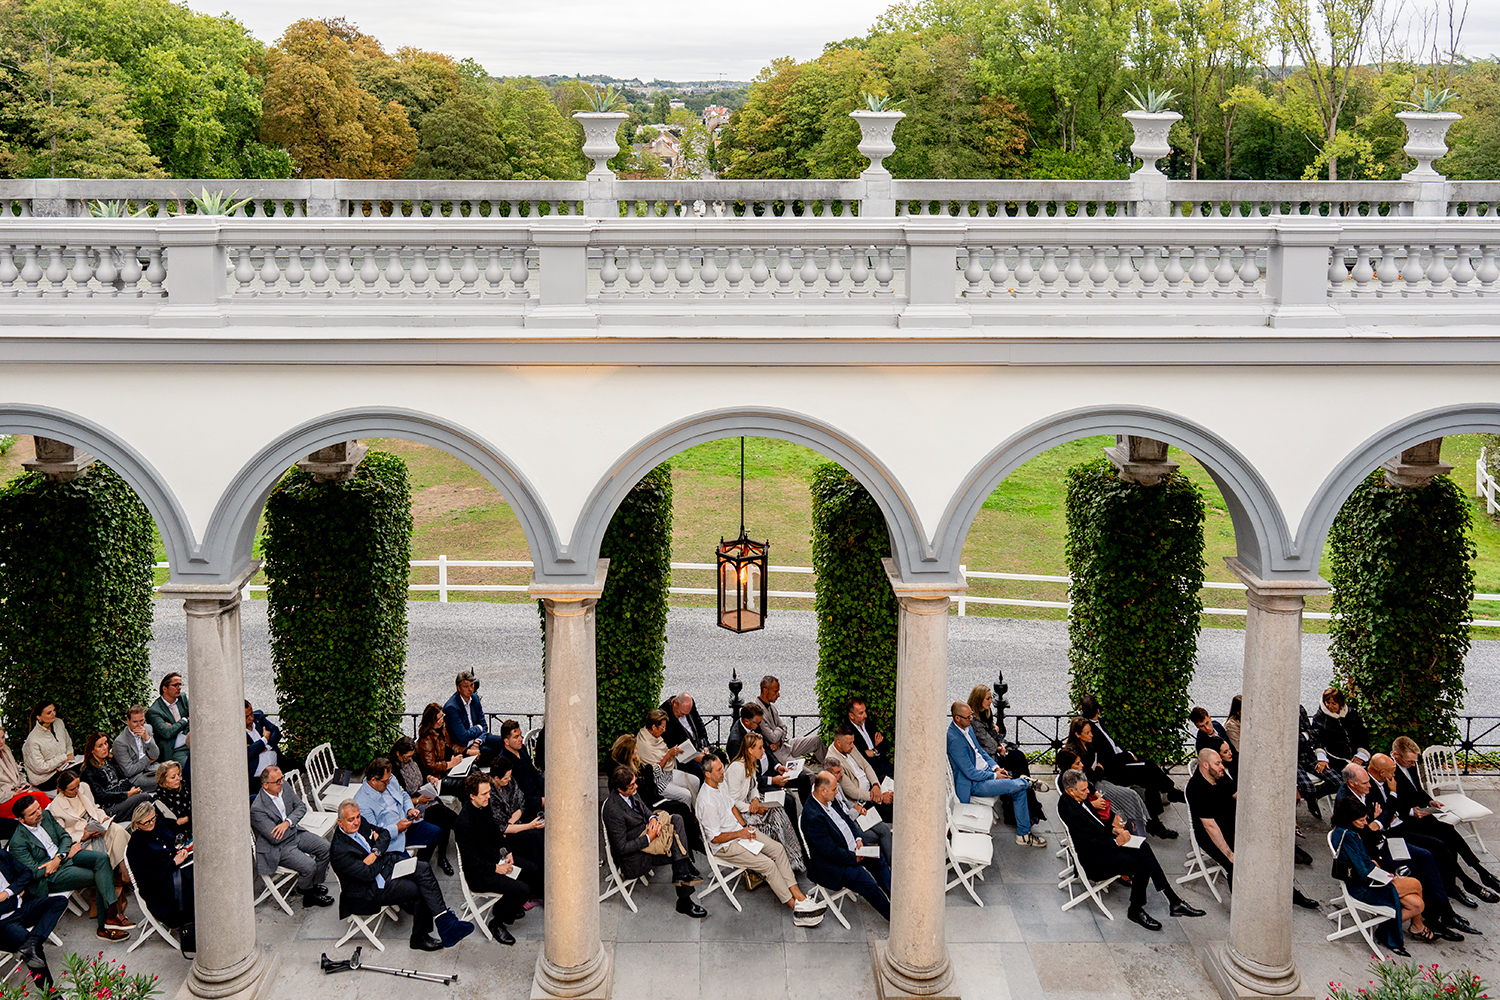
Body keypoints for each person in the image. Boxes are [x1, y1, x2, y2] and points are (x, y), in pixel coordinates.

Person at [1057, 769, 1204, 930]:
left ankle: (1174, 900)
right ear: (1071, 791)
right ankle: (1135, 909)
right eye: (1084, 790)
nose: (1088, 792)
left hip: (1105, 842)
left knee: (1143, 846)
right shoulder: (1071, 811)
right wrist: (1117, 842)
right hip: (1094, 860)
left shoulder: (1078, 798)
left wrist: (1114, 830)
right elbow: (1089, 846)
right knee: (1140, 866)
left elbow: (1096, 821)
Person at [1337, 763, 1464, 941]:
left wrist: (1378, 820)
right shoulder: (1345, 801)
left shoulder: (1365, 791)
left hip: (1384, 842)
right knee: (1416, 872)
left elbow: (1388, 810)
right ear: (1352, 784)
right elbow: (1358, 834)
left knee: (1427, 855)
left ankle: (1446, 911)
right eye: (1365, 783)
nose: (1370, 785)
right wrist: (1375, 822)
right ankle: (1432, 919)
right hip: (1375, 853)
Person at [693, 756, 826, 925]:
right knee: (768, 865)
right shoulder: (707, 802)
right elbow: (715, 838)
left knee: (777, 849)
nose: (723, 772)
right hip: (725, 845)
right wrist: (740, 834)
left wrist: (744, 826)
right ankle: (797, 909)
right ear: (707, 774)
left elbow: (731, 806)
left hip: (739, 831)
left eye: (722, 767)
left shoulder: (720, 784)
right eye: (719, 770)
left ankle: (799, 895)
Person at [330, 800, 473, 952]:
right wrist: (380, 854)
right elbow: (367, 874)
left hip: (385, 865)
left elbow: (384, 834)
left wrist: (376, 853)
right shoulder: (340, 851)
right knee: (419, 889)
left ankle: (445, 922)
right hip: (369, 888)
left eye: (357, 817)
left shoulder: (360, 822)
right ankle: (419, 937)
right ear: (340, 822)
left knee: (423, 868)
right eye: (351, 820)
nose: (356, 822)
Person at [1367, 753, 1487, 926]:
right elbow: (1384, 815)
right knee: (1431, 852)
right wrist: (1389, 808)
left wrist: (1396, 809)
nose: (1394, 775)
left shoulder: (1387, 780)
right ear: (1381, 772)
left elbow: (1397, 806)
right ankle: (1443, 910)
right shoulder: (1372, 786)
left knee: (1445, 834)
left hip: (1403, 821)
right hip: (1393, 833)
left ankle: (1469, 879)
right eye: (1391, 771)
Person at [1388, 737, 1500, 902]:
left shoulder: (1410, 767)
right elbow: (1390, 803)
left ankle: (1480, 872)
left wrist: (1429, 802)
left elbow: (1417, 790)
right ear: (1395, 755)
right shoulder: (1388, 770)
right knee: (1441, 843)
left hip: (1421, 814)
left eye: (1414, 761)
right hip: (1406, 821)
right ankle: (1462, 884)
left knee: (1449, 832)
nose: (1412, 765)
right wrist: (1412, 812)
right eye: (1409, 761)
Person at [9, 794, 132, 941]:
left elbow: (65, 837)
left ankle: (111, 916)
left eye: (38, 809)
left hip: (65, 857)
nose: (38, 813)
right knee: (99, 876)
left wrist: (59, 857)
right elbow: (33, 872)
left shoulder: (46, 815)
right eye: (32, 813)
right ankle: (105, 926)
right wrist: (57, 861)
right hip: (50, 876)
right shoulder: (18, 842)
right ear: (21, 820)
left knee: (102, 859)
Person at [602, 767, 707, 918]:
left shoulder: (631, 792)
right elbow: (622, 848)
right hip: (635, 857)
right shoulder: (613, 811)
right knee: (677, 849)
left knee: (677, 818)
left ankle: (681, 874)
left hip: (647, 834)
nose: (636, 786)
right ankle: (684, 897)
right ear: (620, 789)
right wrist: (648, 838)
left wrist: (652, 819)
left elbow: (645, 809)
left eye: (634, 782)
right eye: (632, 785)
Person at [947, 702, 1046, 848]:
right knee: (1019, 786)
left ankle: (1023, 834)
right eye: (968, 717)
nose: (972, 720)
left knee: (1018, 790)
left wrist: (995, 768)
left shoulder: (967, 727)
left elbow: (980, 751)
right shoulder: (954, 739)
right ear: (957, 718)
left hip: (986, 772)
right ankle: (1025, 782)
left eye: (971, 716)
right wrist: (994, 777)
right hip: (974, 783)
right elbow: (969, 772)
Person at [1331, 796, 1419, 956]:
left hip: (1366, 880)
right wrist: (1381, 875)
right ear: (1350, 819)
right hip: (1364, 887)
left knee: (1418, 904)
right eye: (1361, 820)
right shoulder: (1349, 837)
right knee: (1416, 885)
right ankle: (1413, 928)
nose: (1365, 823)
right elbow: (1363, 871)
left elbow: (1362, 862)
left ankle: (1391, 931)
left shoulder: (1344, 830)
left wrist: (1373, 864)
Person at [1078, 695, 1183, 828]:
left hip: (1118, 762)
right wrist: (1128, 755)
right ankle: (1169, 795)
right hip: (1115, 771)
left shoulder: (1091, 725)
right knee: (1150, 769)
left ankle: (1156, 818)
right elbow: (1108, 761)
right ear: (1098, 710)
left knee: (1151, 777)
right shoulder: (1091, 733)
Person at [452, 772, 534, 944]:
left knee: (532, 870)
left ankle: (508, 906)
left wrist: (508, 850)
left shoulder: (484, 806)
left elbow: (495, 832)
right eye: (484, 794)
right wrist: (497, 868)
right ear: (472, 795)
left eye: (489, 792)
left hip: (494, 860)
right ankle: (497, 922)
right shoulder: (463, 823)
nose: (489, 796)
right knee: (523, 890)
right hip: (480, 874)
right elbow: (471, 862)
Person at [800, 770, 891, 920]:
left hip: (853, 847)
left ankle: (895, 898)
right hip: (834, 864)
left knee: (879, 859)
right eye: (835, 789)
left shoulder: (830, 799)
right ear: (823, 791)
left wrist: (857, 839)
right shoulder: (812, 818)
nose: (837, 792)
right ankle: (893, 916)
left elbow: (847, 819)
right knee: (868, 884)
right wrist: (853, 858)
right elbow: (830, 851)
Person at [251, 766, 334, 909]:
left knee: (326, 848)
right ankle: (308, 895)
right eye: (277, 781)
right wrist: (291, 823)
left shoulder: (285, 787)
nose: (281, 783)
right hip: (277, 847)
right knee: (309, 865)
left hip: (293, 833)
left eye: (281, 778)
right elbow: (274, 838)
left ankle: (312, 885)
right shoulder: (258, 809)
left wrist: (287, 823)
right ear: (265, 785)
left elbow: (301, 807)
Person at [608, 734, 703, 856]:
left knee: (682, 809)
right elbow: (642, 794)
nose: (637, 751)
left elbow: (649, 783)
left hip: (651, 799)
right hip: (648, 806)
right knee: (681, 809)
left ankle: (691, 842)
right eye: (635, 749)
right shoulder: (623, 776)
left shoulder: (636, 764)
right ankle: (692, 844)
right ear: (629, 753)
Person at [724, 733, 804, 872]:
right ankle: (780, 858)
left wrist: (755, 799)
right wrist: (751, 807)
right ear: (750, 750)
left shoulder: (750, 764)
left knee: (779, 811)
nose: (763, 751)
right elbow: (733, 801)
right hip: (738, 813)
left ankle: (792, 857)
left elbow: (754, 787)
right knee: (774, 819)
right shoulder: (737, 768)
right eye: (760, 748)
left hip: (750, 804)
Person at [967, 686, 1045, 825]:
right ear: (979, 700)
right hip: (989, 760)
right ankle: (1026, 793)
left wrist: (1002, 745)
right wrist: (999, 746)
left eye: (991, 698)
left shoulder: (986, 714)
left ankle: (1027, 794)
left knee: (1018, 758)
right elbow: (989, 743)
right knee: (1018, 760)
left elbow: (995, 735)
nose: (991, 701)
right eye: (988, 698)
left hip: (995, 754)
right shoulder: (974, 722)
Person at [0, 843, 67, 991]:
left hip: (21, 908)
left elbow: (26, 873)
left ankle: (33, 943)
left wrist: (9, 892)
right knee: (32, 948)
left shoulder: (2, 855)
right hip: (2, 925)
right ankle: (50, 994)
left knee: (59, 902)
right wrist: (16, 895)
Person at [125, 802, 194, 941]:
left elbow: (171, 843)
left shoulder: (159, 825)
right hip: (159, 889)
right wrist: (173, 862)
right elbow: (150, 879)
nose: (151, 823)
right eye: (146, 822)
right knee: (194, 882)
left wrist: (178, 853)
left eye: (153, 819)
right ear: (136, 824)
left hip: (171, 871)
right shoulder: (136, 847)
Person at [391, 736, 457, 876]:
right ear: (398, 753)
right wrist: (417, 800)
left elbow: (423, 772)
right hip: (414, 805)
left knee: (444, 818)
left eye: (411, 756)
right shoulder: (393, 771)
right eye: (407, 757)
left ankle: (443, 856)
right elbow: (399, 798)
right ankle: (446, 853)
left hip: (425, 796)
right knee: (445, 815)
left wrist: (429, 778)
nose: (410, 759)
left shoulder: (414, 759)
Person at [353, 758, 441, 860]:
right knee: (408, 870)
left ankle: (422, 861)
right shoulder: (362, 803)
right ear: (373, 781)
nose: (388, 783)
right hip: (391, 842)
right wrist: (397, 828)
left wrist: (409, 810)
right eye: (385, 782)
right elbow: (374, 834)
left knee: (436, 832)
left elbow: (403, 795)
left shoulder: (389, 778)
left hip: (407, 824)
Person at [483, 758, 545, 901]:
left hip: (515, 825)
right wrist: (524, 824)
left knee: (537, 837)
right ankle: (540, 888)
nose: (509, 780)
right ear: (496, 778)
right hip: (503, 837)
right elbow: (501, 829)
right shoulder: (490, 794)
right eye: (505, 778)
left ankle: (541, 884)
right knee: (535, 837)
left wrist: (511, 819)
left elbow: (521, 802)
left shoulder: (510, 782)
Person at [47, 768, 129, 871]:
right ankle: (114, 875)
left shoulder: (84, 788)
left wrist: (104, 818)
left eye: (78, 786)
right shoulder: (56, 807)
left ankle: (125, 871)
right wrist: (82, 837)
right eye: (72, 789)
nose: (77, 790)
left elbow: (94, 807)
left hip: (97, 825)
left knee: (118, 830)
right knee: (99, 850)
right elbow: (63, 834)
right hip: (82, 839)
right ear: (63, 790)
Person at [1055, 747, 1148, 837]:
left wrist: (1095, 793)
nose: (1082, 765)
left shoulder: (1074, 776)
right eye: (1078, 763)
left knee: (1126, 819)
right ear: (1069, 767)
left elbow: (1089, 785)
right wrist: (1092, 804)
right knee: (1128, 826)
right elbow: (1075, 809)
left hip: (1096, 813)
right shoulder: (1067, 784)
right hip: (1094, 821)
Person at [823, 760, 892, 863]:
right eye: (838, 773)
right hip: (850, 822)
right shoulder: (827, 794)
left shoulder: (837, 784)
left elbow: (845, 801)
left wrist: (857, 806)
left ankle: (892, 864)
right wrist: (856, 811)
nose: (842, 775)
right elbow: (842, 816)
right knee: (876, 836)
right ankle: (885, 864)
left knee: (884, 828)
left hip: (855, 814)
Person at [1185, 748, 1236, 885]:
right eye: (1217, 763)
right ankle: (1241, 904)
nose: (1222, 767)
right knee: (1236, 867)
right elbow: (1210, 827)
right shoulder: (1195, 789)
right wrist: (1230, 854)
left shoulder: (1220, 776)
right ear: (1205, 765)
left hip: (1230, 825)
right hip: (1211, 835)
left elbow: (1236, 795)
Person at [749, 676, 822, 768]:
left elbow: (784, 728)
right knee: (807, 775)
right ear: (765, 691)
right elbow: (773, 738)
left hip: (785, 744)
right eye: (775, 691)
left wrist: (779, 740)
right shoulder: (758, 712)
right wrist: (780, 730)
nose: (778, 695)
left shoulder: (772, 708)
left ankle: (834, 770)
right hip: (777, 753)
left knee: (816, 741)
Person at [825, 725, 893, 822]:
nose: (853, 745)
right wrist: (880, 797)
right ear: (839, 743)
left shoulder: (849, 747)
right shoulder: (834, 762)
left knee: (897, 791)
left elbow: (866, 765)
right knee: (893, 811)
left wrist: (876, 784)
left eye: (853, 742)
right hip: (864, 799)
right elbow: (853, 792)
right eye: (849, 743)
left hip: (872, 787)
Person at [79, 732, 152, 821]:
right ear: (92, 750)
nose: (105, 748)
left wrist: (133, 790)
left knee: (145, 804)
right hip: (108, 806)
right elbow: (101, 797)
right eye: (100, 746)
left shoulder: (110, 760)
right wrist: (127, 794)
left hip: (121, 796)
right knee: (145, 798)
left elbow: (123, 779)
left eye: (106, 743)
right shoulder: (88, 771)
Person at [636, 709, 700, 807]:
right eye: (662, 727)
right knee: (686, 795)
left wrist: (674, 752)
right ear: (654, 727)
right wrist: (668, 755)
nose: (664, 730)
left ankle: (695, 810)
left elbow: (661, 752)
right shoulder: (646, 745)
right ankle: (686, 818)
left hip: (669, 772)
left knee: (695, 781)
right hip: (658, 782)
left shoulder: (653, 735)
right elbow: (655, 772)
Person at [415, 702, 477, 798]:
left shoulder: (443, 728)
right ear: (431, 721)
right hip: (438, 777)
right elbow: (431, 766)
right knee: (466, 784)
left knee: (474, 772)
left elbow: (451, 746)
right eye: (438, 719)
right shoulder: (426, 740)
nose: (441, 720)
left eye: (442, 716)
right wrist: (450, 764)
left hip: (450, 767)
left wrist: (465, 752)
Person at [442, 670, 505, 764]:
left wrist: (477, 742)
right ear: (458, 688)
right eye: (466, 686)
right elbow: (463, 736)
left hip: (479, 738)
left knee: (506, 742)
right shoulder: (452, 707)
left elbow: (484, 725)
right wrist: (478, 727)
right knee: (492, 753)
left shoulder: (474, 698)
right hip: (465, 745)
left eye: (472, 685)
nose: (470, 689)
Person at [0, 722, 49, 836]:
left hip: (17, 791)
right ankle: (53, 822)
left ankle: (50, 824)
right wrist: (12, 794)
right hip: (4, 799)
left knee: (36, 796)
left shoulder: (6, 750)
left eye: (2, 737)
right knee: (38, 797)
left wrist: (23, 784)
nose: (1, 742)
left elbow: (18, 771)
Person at [245, 701, 300, 795]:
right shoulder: (237, 733)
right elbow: (249, 752)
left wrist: (266, 746)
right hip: (258, 776)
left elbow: (275, 731)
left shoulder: (259, 719)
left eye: (251, 714)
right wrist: (264, 739)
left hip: (277, 763)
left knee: (300, 768)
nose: (251, 718)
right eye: (247, 717)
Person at [1298, 705, 1341, 820]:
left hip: (1308, 755)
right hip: (1292, 760)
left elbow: (1312, 733)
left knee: (1338, 782)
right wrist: (1304, 736)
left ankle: (1314, 796)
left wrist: (1321, 757)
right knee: (1307, 787)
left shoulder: (1300, 708)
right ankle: (1310, 800)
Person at [1310, 688, 1369, 771]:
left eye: (1334, 703)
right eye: (1327, 702)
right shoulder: (1320, 718)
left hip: (1356, 756)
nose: (1330, 706)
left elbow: (1362, 736)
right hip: (1334, 758)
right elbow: (1317, 740)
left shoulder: (1352, 714)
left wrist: (1361, 755)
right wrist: (1322, 757)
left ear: (1340, 703)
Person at [21, 701, 74, 792]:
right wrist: (62, 759)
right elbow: (40, 767)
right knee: (75, 778)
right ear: (39, 717)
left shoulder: (59, 723)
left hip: (64, 767)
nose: (53, 714)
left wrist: (69, 758)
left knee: (86, 768)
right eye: (49, 713)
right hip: (45, 778)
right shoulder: (33, 740)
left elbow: (68, 743)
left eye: (54, 710)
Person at [496, 721, 544, 817]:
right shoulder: (503, 762)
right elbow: (514, 795)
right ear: (506, 741)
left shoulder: (522, 749)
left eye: (521, 735)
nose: (520, 739)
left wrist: (546, 790)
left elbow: (534, 772)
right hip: (526, 806)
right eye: (516, 737)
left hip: (537, 793)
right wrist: (540, 801)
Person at [661, 693, 713, 782]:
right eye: (681, 713)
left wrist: (705, 746)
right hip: (682, 755)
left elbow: (699, 724)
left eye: (686, 714)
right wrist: (695, 756)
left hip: (697, 746)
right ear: (675, 703)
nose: (683, 716)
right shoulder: (665, 714)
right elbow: (671, 743)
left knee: (719, 757)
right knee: (701, 770)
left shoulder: (689, 705)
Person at [112, 707, 160, 793]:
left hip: (151, 768)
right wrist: (148, 760)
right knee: (167, 780)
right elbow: (129, 771)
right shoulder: (120, 742)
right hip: (135, 778)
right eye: (135, 722)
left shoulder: (147, 729)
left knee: (175, 772)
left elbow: (155, 755)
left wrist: (147, 739)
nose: (139, 725)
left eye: (141, 721)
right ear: (128, 721)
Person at [146, 674, 191, 766]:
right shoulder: (154, 711)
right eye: (175, 685)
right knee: (192, 768)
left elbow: (195, 717)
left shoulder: (182, 698)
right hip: (176, 749)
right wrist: (185, 720)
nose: (179, 688)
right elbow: (167, 733)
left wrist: (175, 726)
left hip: (190, 742)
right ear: (164, 689)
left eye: (180, 685)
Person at [847, 696, 893, 781]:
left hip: (885, 765)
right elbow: (862, 757)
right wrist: (877, 750)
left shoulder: (868, 723)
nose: (865, 715)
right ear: (851, 716)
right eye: (861, 713)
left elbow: (884, 743)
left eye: (865, 711)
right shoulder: (848, 731)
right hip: (871, 773)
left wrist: (874, 751)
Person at [152, 761, 191, 842]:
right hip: (176, 837)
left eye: (179, 775)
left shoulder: (185, 787)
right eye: (173, 777)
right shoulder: (159, 800)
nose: (178, 779)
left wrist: (187, 818)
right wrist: (189, 818)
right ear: (163, 780)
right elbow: (174, 825)